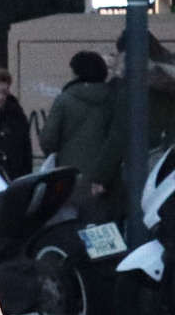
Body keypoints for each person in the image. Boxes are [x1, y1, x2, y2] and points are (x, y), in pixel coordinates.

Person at [41, 50, 121, 202]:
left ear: (77, 73)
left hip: (69, 176)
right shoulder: (115, 99)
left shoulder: (64, 100)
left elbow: (48, 140)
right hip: (107, 177)